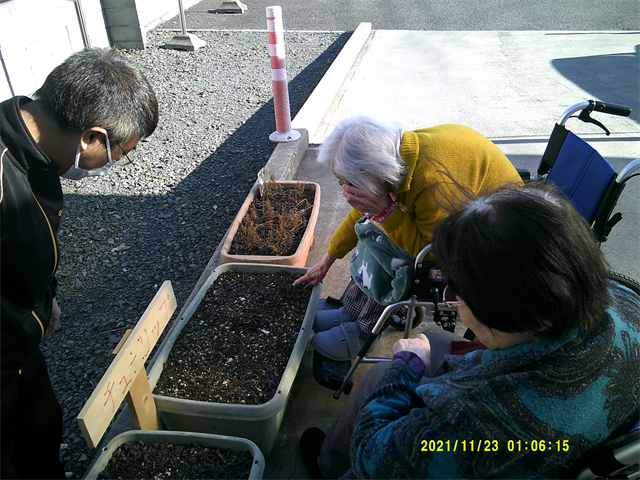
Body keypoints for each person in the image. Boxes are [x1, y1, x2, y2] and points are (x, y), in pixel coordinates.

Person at [299, 182, 640, 480]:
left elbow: (374, 460)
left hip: (509, 438)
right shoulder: (622, 300)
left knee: (383, 374)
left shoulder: (477, 420)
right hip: (574, 388)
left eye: (456, 293)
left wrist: (405, 369)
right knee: (432, 338)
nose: (451, 301)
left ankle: (328, 467)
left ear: (502, 313)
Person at [0, 47, 158, 479]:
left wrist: (42, 299)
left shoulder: (38, 151)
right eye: (119, 152)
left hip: (21, 350)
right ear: (91, 137)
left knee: (41, 430)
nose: (114, 164)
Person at [293, 114, 523, 361]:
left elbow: (431, 253)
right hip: (463, 218)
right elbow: (361, 211)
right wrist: (326, 261)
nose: (344, 188)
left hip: (496, 247)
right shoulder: (396, 152)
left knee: (388, 249)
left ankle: (363, 331)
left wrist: (383, 211)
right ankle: (352, 309)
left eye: (348, 182)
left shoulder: (431, 180)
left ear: (376, 174)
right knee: (369, 226)